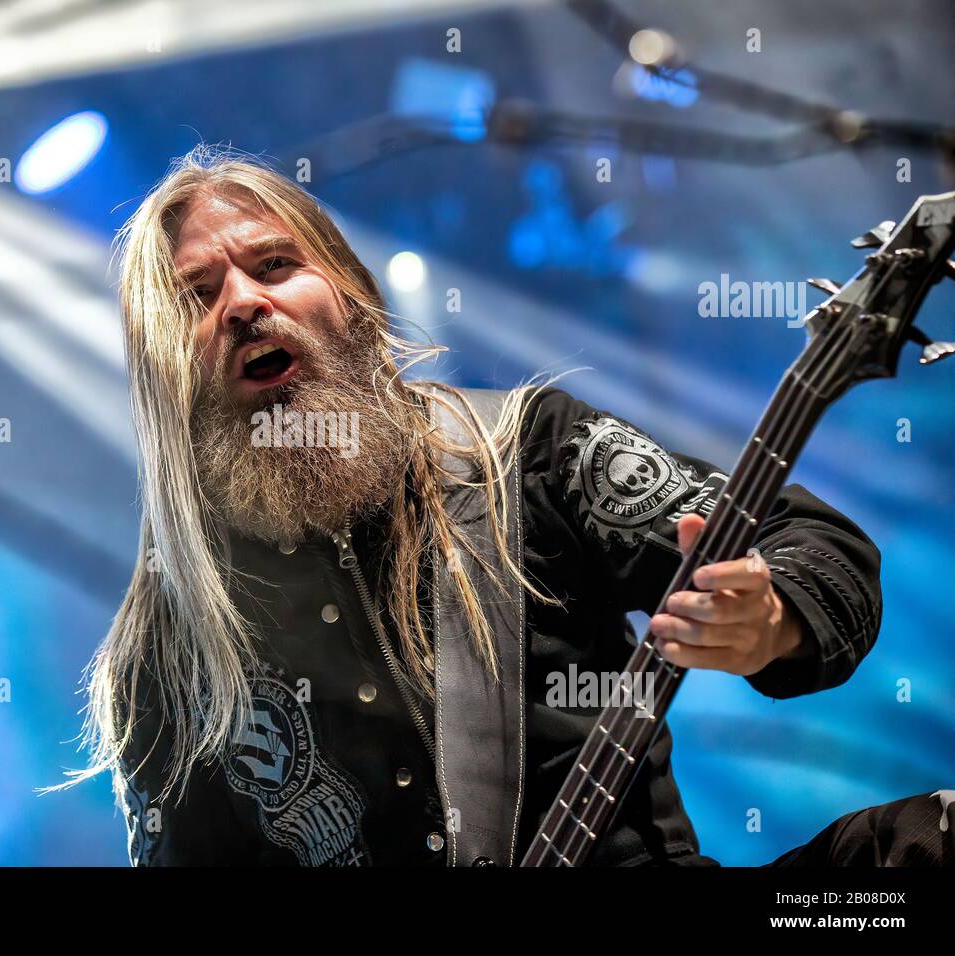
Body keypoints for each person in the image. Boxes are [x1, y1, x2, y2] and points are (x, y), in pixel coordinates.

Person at [50, 145, 951, 867]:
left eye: (276, 266)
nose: (243, 303)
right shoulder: (165, 657)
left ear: (355, 300)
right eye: (196, 297)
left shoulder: (524, 455)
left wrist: (775, 615)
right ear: (162, 381)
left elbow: (807, 540)